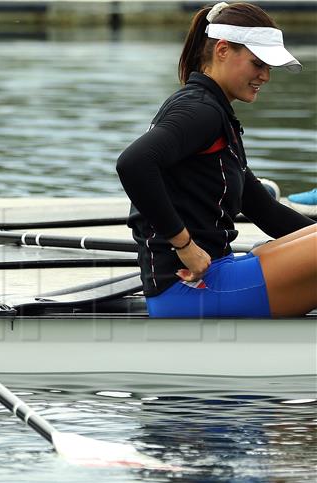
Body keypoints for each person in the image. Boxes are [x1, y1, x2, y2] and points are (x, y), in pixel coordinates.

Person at [116, 1, 316, 318]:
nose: (265, 76)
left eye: (268, 67)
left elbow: (264, 211)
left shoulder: (213, 110)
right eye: (257, 63)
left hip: (214, 275)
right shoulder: (201, 110)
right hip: (190, 288)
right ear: (222, 50)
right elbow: (133, 164)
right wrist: (184, 245)